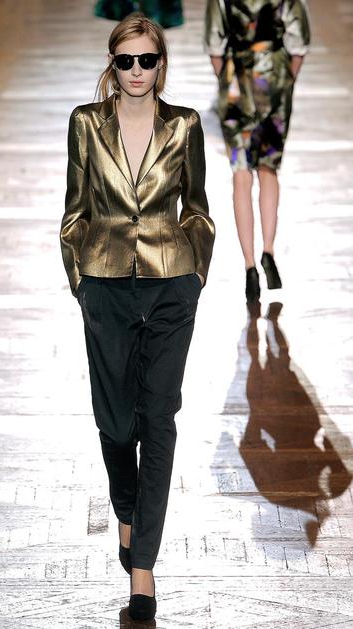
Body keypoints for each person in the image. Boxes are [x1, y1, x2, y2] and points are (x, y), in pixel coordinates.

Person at [60, 13, 215, 622]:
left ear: (160, 64)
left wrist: (195, 274)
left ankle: (143, 568)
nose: (135, 71)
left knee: (159, 418)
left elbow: (196, 208)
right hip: (105, 285)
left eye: (146, 60)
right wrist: (80, 282)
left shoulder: (185, 125)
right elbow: (75, 211)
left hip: (170, 285)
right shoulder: (85, 123)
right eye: (125, 61)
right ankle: (125, 509)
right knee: (117, 423)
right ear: (113, 63)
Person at [205, 0, 310, 302]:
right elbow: (299, 44)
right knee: (268, 168)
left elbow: (215, 46)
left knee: (241, 174)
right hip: (275, 78)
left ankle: (249, 266)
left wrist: (228, 83)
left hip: (235, 81)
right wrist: (285, 82)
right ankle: (268, 251)